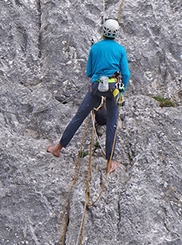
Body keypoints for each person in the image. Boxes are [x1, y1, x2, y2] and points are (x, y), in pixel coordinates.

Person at [47, 18, 130, 174]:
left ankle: (58, 148)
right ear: (116, 33)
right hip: (113, 89)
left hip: (96, 88)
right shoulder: (120, 50)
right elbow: (125, 73)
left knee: (78, 117)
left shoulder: (95, 48)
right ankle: (110, 162)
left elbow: (89, 73)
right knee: (112, 124)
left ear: (103, 30)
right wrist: (122, 91)